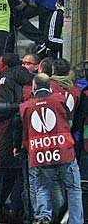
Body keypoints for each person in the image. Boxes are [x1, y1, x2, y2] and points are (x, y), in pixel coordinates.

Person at [20, 74, 83, 224]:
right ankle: (75, 221)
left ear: (34, 86)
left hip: (40, 153)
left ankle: (43, 217)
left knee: (42, 186)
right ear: (49, 86)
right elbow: (69, 121)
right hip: (64, 151)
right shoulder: (60, 100)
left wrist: (23, 148)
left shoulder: (25, 106)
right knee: (73, 188)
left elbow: (25, 130)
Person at [0, 53, 34, 224]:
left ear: (4, 64)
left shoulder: (5, 79)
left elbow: (4, 107)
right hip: (21, 133)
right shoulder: (28, 80)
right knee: (15, 173)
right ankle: (17, 212)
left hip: (2, 132)